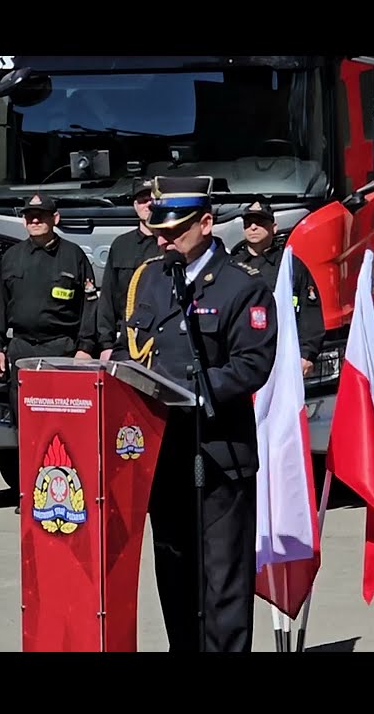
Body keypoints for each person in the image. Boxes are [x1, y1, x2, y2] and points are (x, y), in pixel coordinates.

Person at [112, 175, 277, 652]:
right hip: (163, 454)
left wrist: (192, 392)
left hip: (219, 454)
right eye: (159, 231)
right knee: (175, 572)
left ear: (206, 223)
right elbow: (133, 347)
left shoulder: (241, 286)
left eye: (174, 231)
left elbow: (252, 363)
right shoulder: (152, 278)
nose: (163, 240)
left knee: (222, 581)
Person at [0, 192, 99, 513]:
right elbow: (0, 306)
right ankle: (29, 493)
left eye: (41, 215)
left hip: (61, 349)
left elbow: (89, 307)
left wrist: (85, 348)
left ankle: (66, 493)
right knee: (26, 426)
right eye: (29, 216)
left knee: (63, 424)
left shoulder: (74, 256)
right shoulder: (12, 257)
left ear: (55, 218)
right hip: (22, 350)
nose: (34, 220)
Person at [229, 198, 324, 375]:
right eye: (248, 223)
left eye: (260, 222)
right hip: (240, 358)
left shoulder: (290, 265)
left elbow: (309, 311)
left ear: (274, 228)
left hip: (282, 355)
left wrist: (307, 353)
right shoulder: (231, 267)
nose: (253, 227)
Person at [97, 179, 161, 359]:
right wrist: (106, 344)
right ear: (135, 206)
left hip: (161, 340)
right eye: (142, 200)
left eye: (152, 199)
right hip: (124, 341)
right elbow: (107, 298)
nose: (148, 205)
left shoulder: (173, 244)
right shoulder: (121, 245)